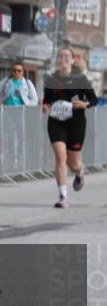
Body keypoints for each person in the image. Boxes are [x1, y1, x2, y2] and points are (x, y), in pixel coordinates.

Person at [43, 47, 98, 209]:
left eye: (67, 56)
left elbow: (94, 99)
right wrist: (45, 106)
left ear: (73, 60)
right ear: (57, 60)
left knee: (73, 163)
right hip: (56, 121)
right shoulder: (51, 78)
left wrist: (85, 104)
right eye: (61, 56)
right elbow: (47, 99)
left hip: (76, 123)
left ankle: (80, 171)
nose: (64, 58)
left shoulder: (80, 79)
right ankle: (63, 196)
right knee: (61, 157)